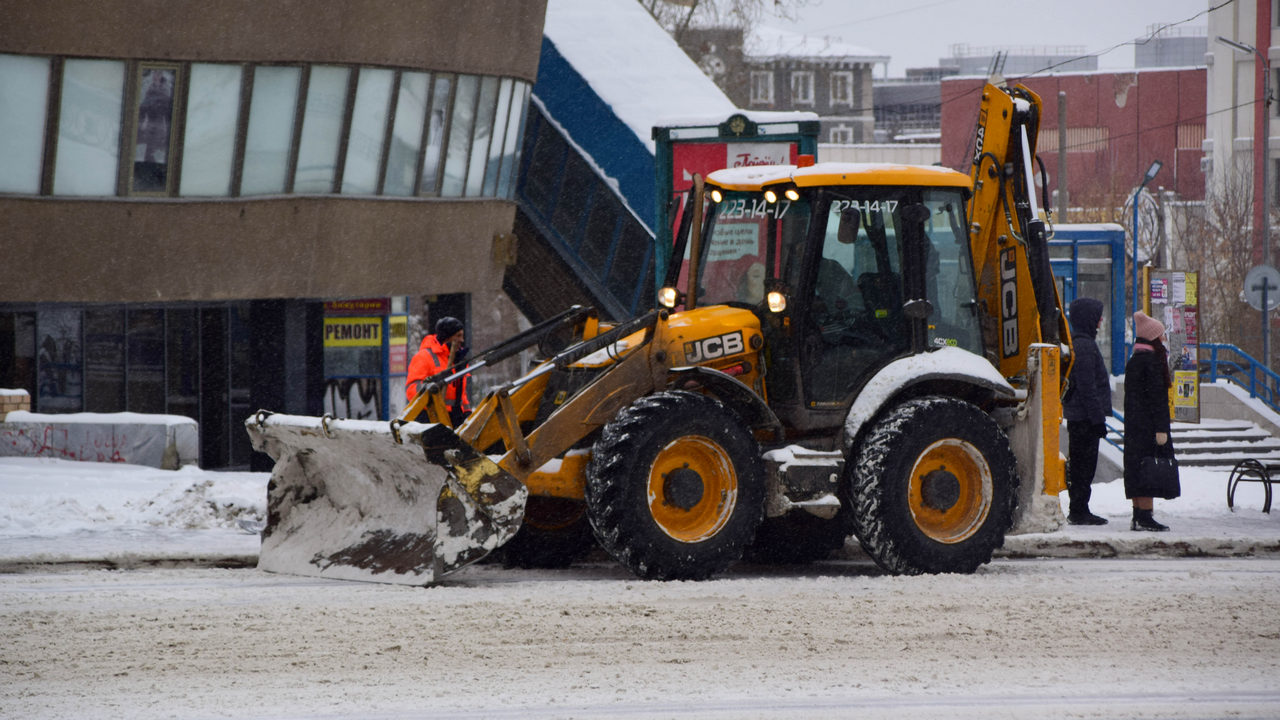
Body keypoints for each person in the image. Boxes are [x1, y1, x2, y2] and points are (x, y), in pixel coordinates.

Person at [1124, 311, 1175, 532]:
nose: (1164, 339)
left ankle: (1138, 515)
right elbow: (1157, 399)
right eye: (1162, 335)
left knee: (1138, 468)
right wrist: (1161, 429)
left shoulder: (1135, 360)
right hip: (1148, 427)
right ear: (1154, 338)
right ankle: (1145, 517)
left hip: (1136, 425)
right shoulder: (1151, 363)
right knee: (1148, 469)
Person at [1063, 297, 1111, 525]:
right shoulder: (1084, 346)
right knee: (1083, 467)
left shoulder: (1079, 343)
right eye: (1097, 316)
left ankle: (1080, 508)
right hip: (1084, 419)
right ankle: (1079, 510)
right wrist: (1097, 420)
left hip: (1080, 417)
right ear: (1088, 319)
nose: (1100, 321)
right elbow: (1087, 387)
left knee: (1081, 466)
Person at [405, 316, 470, 425]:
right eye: (458, 336)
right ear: (447, 337)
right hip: (430, 417)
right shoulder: (424, 357)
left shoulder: (458, 360)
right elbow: (412, 390)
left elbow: (461, 394)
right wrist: (434, 385)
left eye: (462, 336)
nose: (462, 340)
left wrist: (467, 412)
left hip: (454, 417)